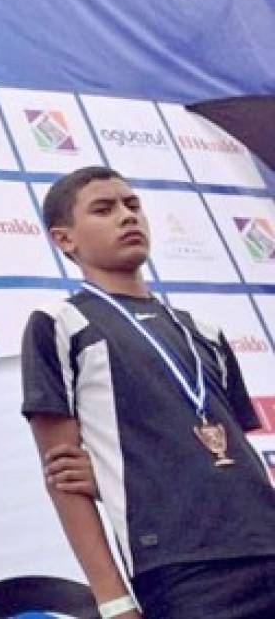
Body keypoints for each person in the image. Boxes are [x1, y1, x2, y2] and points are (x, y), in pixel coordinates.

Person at [21, 165, 275, 619]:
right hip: (184, 571)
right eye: (104, 209)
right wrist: (113, 600)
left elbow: (234, 452)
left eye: (132, 205)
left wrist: (131, 479)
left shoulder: (204, 330)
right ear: (65, 239)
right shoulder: (61, 323)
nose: (126, 216)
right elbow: (62, 477)